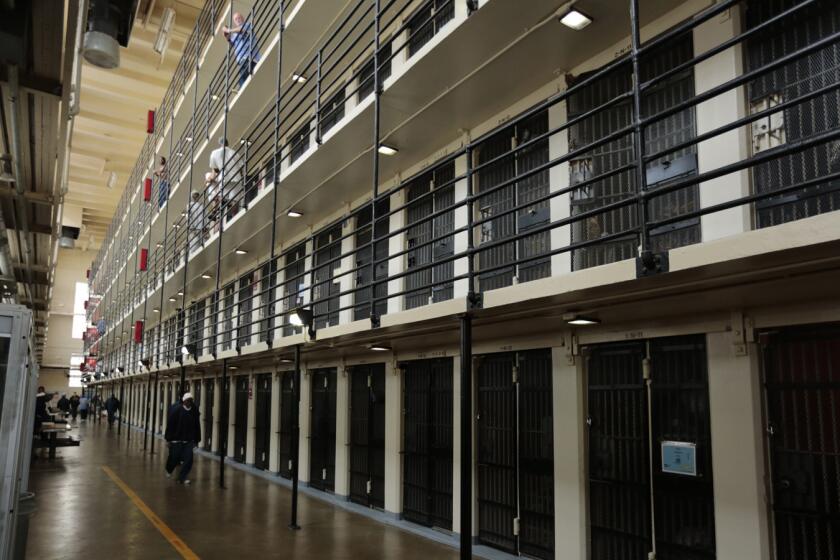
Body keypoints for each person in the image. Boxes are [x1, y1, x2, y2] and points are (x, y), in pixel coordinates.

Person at [164, 393, 201, 485]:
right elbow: (170, 425)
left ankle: (182, 478)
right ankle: (169, 469)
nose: (190, 402)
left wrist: (196, 440)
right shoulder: (176, 411)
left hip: (188, 440)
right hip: (176, 439)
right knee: (174, 458)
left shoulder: (194, 411)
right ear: (183, 401)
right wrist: (168, 439)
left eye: (191, 400)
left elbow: (197, 426)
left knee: (189, 459)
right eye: (188, 400)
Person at [222, 12, 260, 88]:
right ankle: (243, 88)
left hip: (249, 57)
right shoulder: (235, 33)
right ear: (234, 22)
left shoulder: (247, 25)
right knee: (244, 75)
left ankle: (241, 89)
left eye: (239, 18)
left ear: (243, 18)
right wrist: (227, 36)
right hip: (243, 58)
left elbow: (242, 30)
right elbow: (232, 43)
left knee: (243, 75)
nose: (238, 20)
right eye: (236, 19)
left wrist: (229, 30)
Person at [208, 137, 242, 219]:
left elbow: (215, 170)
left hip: (224, 177)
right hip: (236, 177)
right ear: (228, 143)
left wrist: (211, 178)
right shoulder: (235, 153)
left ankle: (216, 211)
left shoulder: (214, 153)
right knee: (235, 200)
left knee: (220, 195)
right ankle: (233, 216)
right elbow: (241, 168)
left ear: (220, 144)